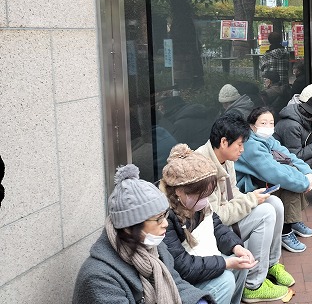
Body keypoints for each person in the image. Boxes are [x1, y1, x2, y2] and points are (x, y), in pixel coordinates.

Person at [73, 164, 214, 304]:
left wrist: (199, 300)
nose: (165, 223)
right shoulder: (99, 277)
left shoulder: (154, 248)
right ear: (129, 226)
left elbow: (175, 283)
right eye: (158, 219)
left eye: (165, 215)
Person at [195, 115, 295, 302]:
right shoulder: (202, 168)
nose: (242, 149)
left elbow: (232, 191)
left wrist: (253, 197)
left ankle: (271, 265)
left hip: (227, 217)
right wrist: (250, 200)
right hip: (214, 230)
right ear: (224, 142)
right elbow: (214, 217)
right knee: (265, 213)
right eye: (239, 145)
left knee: (274, 203)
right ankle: (253, 284)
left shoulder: (225, 158)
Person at [160, 144, 254, 304]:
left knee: (241, 266)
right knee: (226, 280)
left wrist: (236, 247)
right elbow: (183, 266)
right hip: (181, 280)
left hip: (202, 258)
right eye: (201, 195)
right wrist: (225, 263)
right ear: (179, 191)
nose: (205, 201)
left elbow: (216, 226)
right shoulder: (164, 217)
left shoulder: (196, 204)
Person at [235, 108, 312, 253]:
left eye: (271, 123)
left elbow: (289, 156)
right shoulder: (250, 144)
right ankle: (285, 231)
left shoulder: (268, 139)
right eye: (263, 123)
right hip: (246, 187)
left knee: (293, 174)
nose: (268, 127)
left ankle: (293, 219)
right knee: (287, 181)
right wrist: (304, 182)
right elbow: (274, 172)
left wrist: (307, 172)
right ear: (252, 125)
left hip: (261, 178)